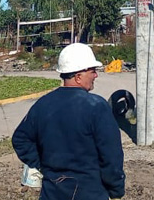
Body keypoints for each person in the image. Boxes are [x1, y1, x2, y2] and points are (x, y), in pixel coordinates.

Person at [12, 43, 125, 200]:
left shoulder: (43, 104)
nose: (96, 76)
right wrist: (116, 190)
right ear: (78, 76)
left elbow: (20, 139)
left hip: (52, 193)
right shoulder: (97, 106)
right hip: (90, 192)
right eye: (93, 71)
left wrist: (42, 165)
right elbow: (111, 156)